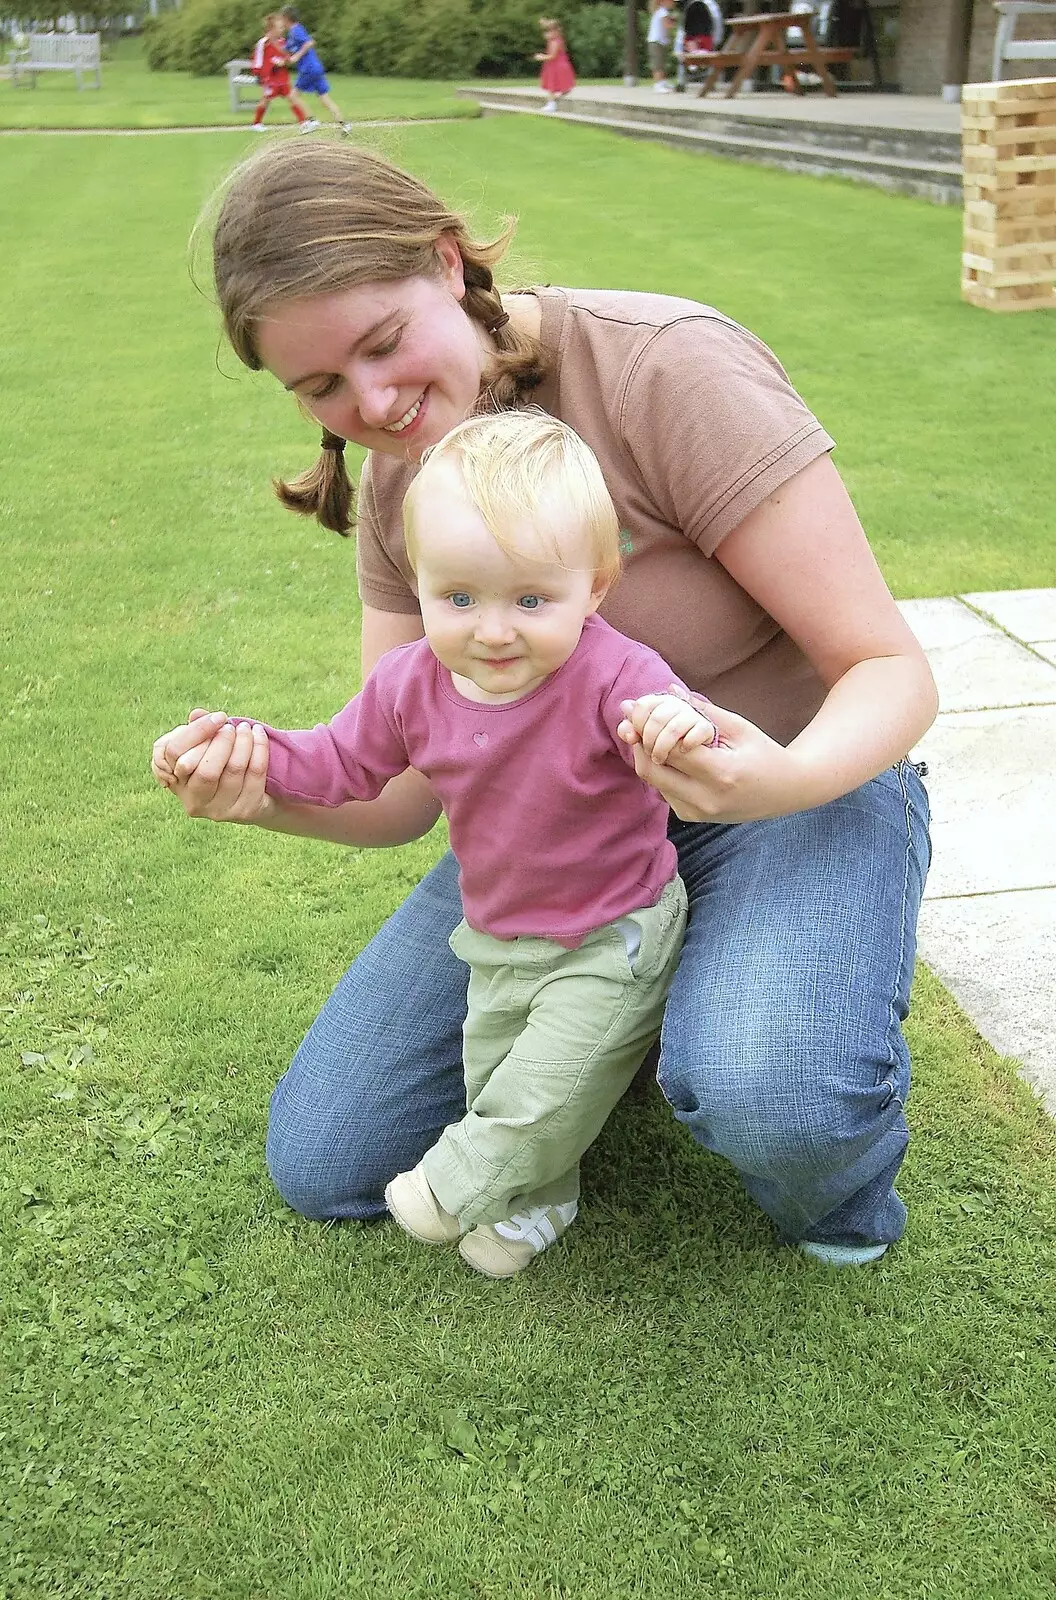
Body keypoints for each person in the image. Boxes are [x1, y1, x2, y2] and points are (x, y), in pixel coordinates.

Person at [154, 139, 936, 1272]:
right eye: (320, 385)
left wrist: (780, 778)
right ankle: (619, 1014)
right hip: (555, 842)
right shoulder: (402, 482)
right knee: (330, 1157)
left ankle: (812, 1152)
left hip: (795, 791)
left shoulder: (664, 367)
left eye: (382, 342)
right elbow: (406, 789)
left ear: (444, 261)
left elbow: (888, 667)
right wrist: (256, 789)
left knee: (775, 1092)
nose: (372, 402)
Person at [157, 410, 716, 1276]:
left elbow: (679, 719)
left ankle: (452, 1187)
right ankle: (542, 1199)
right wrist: (244, 750)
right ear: (418, 581)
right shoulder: (410, 683)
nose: (493, 630)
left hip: (617, 930)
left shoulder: (615, 673)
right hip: (497, 935)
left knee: (539, 1093)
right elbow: (337, 762)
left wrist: (678, 726)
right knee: (495, 1075)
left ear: (597, 586)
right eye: (458, 598)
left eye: (532, 600)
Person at [278, 6, 344, 130]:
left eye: (281, 19)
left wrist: (296, 56)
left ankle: (312, 121)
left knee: (293, 96)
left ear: (286, 18)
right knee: (324, 97)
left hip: (308, 68)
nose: (281, 22)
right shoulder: (293, 34)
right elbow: (286, 50)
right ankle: (344, 124)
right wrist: (283, 60)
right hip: (315, 67)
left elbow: (309, 43)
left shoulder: (296, 30)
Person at [250, 13, 308, 129]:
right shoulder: (264, 43)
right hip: (269, 78)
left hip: (282, 77)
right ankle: (256, 123)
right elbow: (258, 58)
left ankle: (303, 122)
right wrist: (257, 73)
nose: (282, 30)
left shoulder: (282, 42)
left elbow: (286, 56)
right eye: (280, 27)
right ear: (271, 29)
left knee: (291, 97)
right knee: (265, 100)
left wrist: (284, 61)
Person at [535, 17, 576, 114]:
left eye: (548, 32)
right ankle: (554, 101)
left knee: (551, 87)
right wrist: (543, 22)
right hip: (559, 65)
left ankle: (551, 104)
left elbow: (552, 56)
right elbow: (549, 25)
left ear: (555, 32)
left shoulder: (554, 42)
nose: (546, 34)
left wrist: (541, 57)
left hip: (556, 66)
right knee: (562, 87)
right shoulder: (557, 40)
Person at [646, 0, 674, 92]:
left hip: (659, 42)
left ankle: (662, 82)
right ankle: (658, 84)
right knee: (657, 64)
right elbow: (667, 25)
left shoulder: (660, 11)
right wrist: (673, 22)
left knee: (661, 63)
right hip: (656, 42)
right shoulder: (663, 12)